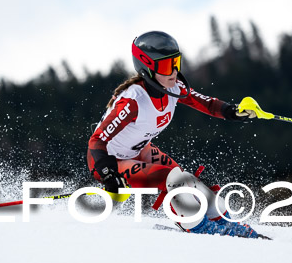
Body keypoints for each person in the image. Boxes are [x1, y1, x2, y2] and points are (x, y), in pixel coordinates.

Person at [87, 31, 272, 238]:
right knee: (171, 177)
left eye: (176, 62)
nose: (174, 71)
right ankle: (198, 228)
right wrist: (109, 175)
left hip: (140, 150)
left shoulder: (173, 87)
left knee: (185, 178)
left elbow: (207, 103)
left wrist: (233, 111)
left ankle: (224, 220)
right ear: (147, 68)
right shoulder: (133, 101)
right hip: (110, 160)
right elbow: (97, 140)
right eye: (166, 66)